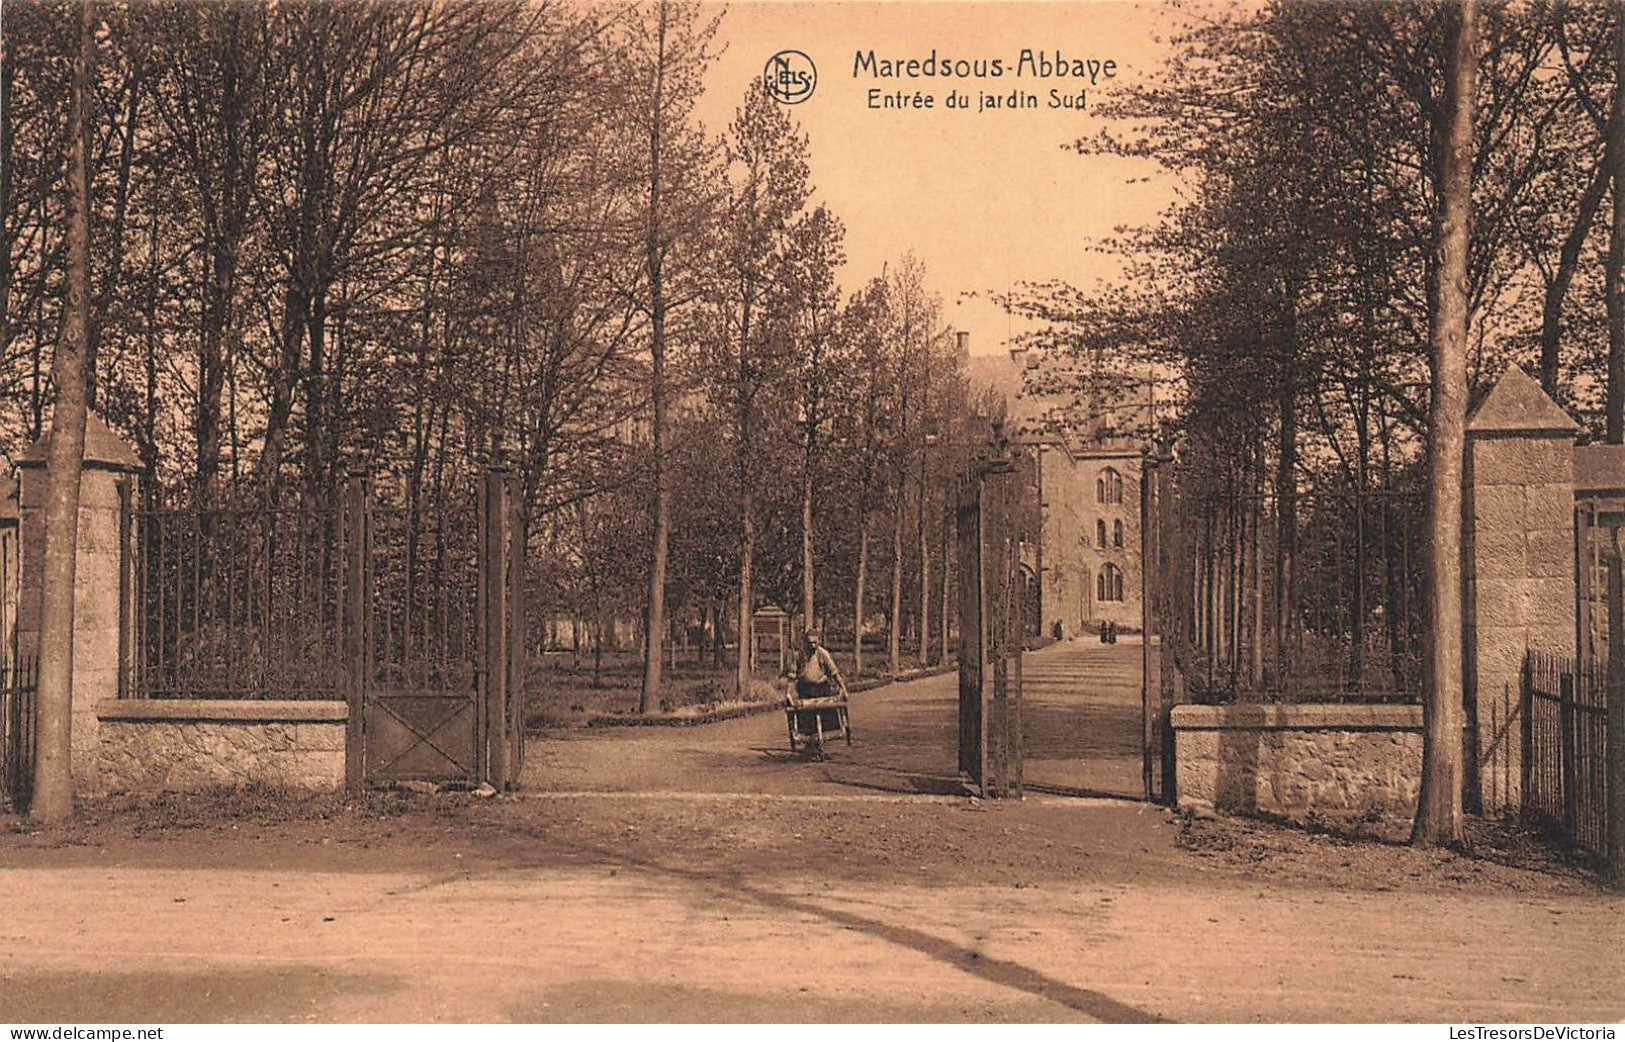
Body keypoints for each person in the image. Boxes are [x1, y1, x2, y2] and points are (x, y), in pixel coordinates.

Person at [793, 630, 848, 704]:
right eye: (810, 643)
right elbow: (791, 676)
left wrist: (843, 689)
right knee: (804, 712)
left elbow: (834, 673)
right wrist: (788, 693)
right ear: (805, 642)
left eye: (815, 642)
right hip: (805, 689)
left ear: (819, 641)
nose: (812, 646)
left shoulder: (823, 654)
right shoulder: (799, 655)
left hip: (821, 688)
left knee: (827, 711)